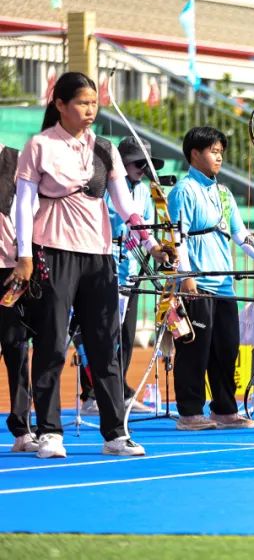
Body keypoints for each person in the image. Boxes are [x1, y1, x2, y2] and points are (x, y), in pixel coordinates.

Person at [10, 71, 172, 459]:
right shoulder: (39, 145)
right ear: (60, 105)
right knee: (51, 343)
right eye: (82, 103)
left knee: (104, 344)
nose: (90, 110)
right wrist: (24, 256)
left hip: (98, 257)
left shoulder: (104, 149)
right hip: (52, 253)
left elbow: (125, 206)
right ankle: (50, 432)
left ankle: (115, 433)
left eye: (94, 103)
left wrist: (152, 244)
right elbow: (24, 203)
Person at [168, 126, 254, 431]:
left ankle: (224, 410)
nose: (219, 157)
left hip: (223, 284)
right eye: (213, 151)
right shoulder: (184, 190)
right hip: (197, 283)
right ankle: (189, 413)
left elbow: (240, 234)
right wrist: (186, 276)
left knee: (226, 349)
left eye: (221, 152)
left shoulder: (223, 193)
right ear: (195, 154)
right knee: (194, 351)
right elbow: (177, 236)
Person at [75, 136, 159, 416]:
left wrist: (154, 248)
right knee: (101, 334)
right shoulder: (107, 187)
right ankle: (92, 395)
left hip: (131, 273)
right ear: (121, 164)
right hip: (105, 270)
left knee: (125, 335)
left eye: (146, 164)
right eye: (137, 163)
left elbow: (146, 228)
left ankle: (118, 390)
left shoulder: (144, 192)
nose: (142, 169)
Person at [0, 142, 36, 453]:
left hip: (10, 271)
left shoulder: (16, 160)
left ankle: (22, 428)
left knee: (16, 347)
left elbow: (31, 211)